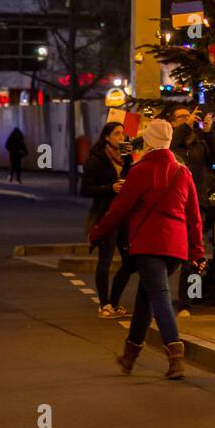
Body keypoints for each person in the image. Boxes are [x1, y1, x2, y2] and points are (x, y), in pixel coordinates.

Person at [88, 119, 203, 379]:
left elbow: (119, 209)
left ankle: (175, 355)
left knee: (159, 296)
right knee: (145, 298)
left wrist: (97, 233)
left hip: (149, 244)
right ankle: (129, 356)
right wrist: (196, 252)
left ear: (149, 141)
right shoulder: (183, 172)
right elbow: (194, 216)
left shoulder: (141, 170)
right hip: (176, 247)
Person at [170, 105, 215, 317]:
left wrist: (209, 132)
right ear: (173, 124)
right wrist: (185, 126)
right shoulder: (172, 145)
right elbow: (170, 146)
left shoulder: (200, 144)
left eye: (187, 115)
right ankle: (156, 295)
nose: (186, 118)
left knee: (194, 254)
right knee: (173, 254)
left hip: (197, 205)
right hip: (175, 206)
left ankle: (187, 302)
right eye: (180, 117)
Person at [80, 122, 133, 318]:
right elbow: (85, 189)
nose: (122, 136)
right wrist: (109, 188)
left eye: (123, 133)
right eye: (117, 133)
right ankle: (105, 305)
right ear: (107, 138)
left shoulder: (125, 157)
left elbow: (131, 177)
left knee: (130, 260)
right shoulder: (96, 160)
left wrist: (130, 161)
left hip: (124, 214)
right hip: (106, 215)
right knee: (106, 259)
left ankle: (115, 301)